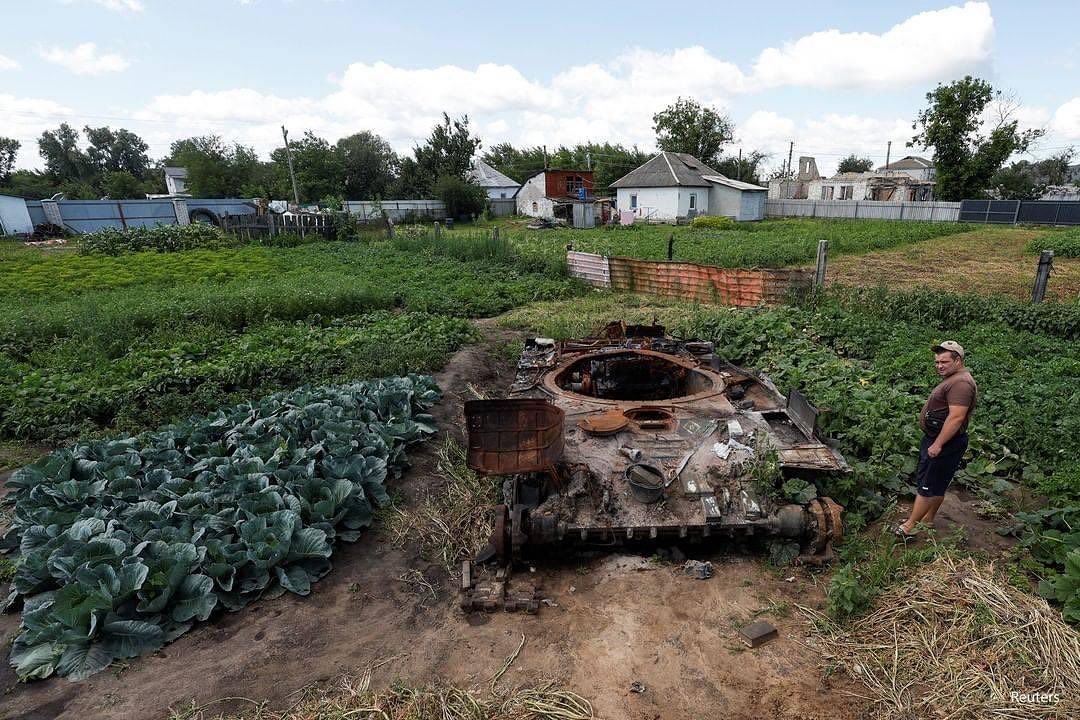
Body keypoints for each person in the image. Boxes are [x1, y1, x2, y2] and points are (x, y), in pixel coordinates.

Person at [897, 341, 976, 539]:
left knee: (927, 485)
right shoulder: (956, 378)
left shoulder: (961, 383)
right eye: (937, 362)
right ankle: (928, 519)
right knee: (938, 483)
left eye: (944, 362)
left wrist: (938, 444)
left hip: (944, 442)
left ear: (958, 360)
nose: (939, 366)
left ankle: (909, 526)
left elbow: (956, 417)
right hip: (943, 440)